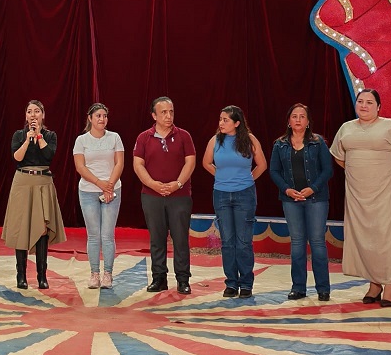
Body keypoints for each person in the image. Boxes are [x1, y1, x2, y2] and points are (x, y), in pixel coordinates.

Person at [330, 88, 391, 307]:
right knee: (364, 237)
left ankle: (390, 285)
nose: (364, 105)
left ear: (378, 107)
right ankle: (374, 284)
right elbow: (339, 157)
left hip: (384, 192)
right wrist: (356, 173)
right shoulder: (346, 128)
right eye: (360, 101)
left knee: (386, 237)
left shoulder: (390, 126)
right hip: (357, 194)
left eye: (369, 102)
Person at [269, 103, 333, 301]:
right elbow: (274, 171)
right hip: (291, 200)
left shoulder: (318, 143)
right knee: (297, 243)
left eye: (302, 116)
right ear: (289, 121)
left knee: (317, 242)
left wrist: (313, 188)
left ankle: (323, 289)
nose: (298, 119)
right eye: (294, 116)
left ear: (308, 121)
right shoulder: (279, 144)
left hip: (316, 199)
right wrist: (287, 190)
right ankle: (298, 288)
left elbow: (327, 170)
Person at [201, 105, 267, 298]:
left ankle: (246, 284)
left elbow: (262, 164)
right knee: (228, 241)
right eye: (220, 119)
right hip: (221, 195)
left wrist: (247, 180)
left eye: (225, 120)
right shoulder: (215, 140)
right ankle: (231, 283)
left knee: (243, 241)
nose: (221, 123)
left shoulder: (250, 140)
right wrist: (221, 176)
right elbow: (206, 162)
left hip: (244, 195)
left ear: (237, 123)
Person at [133, 96, 196, 294]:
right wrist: (152, 184)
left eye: (171, 112)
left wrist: (177, 184)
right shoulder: (143, 138)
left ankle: (183, 279)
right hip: (152, 196)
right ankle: (159, 278)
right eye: (164, 112)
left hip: (180, 196)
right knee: (157, 238)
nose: (168, 116)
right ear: (154, 115)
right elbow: (138, 164)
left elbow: (190, 162)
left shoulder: (184, 136)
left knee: (180, 239)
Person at [2, 100, 66, 290]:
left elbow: (49, 156)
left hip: (43, 183)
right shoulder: (19, 135)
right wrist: (27, 140)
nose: (33, 115)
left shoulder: (50, 135)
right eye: (29, 111)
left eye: (37, 111)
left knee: (43, 227)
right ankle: (21, 276)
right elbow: (17, 157)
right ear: (25, 115)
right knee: (21, 227)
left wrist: (38, 136)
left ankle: (41, 276)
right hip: (22, 182)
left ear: (43, 115)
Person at [73, 103, 125, 289]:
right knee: (94, 235)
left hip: (112, 190)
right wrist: (99, 183)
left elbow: (119, 163)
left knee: (107, 235)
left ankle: (108, 274)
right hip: (88, 191)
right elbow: (80, 167)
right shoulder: (81, 140)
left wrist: (109, 186)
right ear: (90, 118)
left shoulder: (114, 137)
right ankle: (94, 274)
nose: (102, 119)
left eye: (104, 116)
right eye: (98, 116)